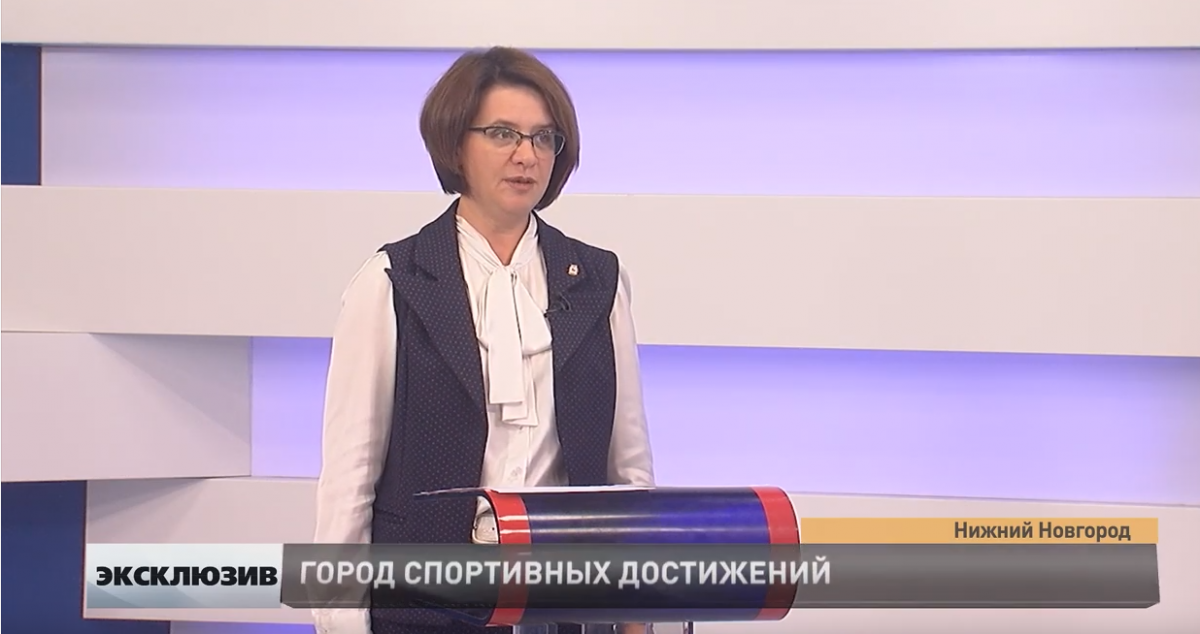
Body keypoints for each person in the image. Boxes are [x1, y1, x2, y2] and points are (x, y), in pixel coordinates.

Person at [312, 47, 656, 634]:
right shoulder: (393, 280)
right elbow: (350, 475)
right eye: (503, 134)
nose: (527, 155)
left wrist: (635, 615)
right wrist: (340, 622)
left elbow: (628, 469)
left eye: (544, 138)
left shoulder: (599, 280)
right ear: (455, 145)